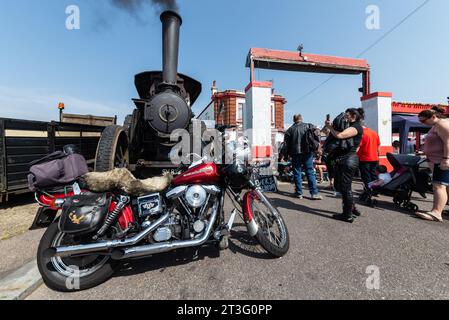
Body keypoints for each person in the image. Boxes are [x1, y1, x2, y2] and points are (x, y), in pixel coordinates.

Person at [325, 108, 364, 223]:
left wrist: (330, 127)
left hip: (348, 160)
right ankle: (351, 208)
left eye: (347, 115)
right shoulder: (350, 126)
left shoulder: (356, 127)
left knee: (346, 188)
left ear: (354, 116)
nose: (345, 117)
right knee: (341, 186)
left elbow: (340, 136)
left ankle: (347, 215)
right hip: (345, 160)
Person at [415, 109, 449, 222]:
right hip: (439, 159)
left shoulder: (441, 124)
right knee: (446, 186)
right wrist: (425, 152)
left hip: (441, 160)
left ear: (433, 116)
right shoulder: (438, 124)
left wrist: (446, 159)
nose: (422, 123)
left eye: (423, 121)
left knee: (439, 186)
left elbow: (448, 142)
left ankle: (436, 212)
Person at [284, 114, 323, 200]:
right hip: (307, 152)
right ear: (301, 118)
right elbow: (317, 135)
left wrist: (286, 155)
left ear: (293, 120)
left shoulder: (290, 130)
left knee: (297, 172)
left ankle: (299, 193)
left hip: (295, 153)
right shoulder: (308, 126)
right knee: (310, 172)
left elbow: (286, 145)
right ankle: (314, 193)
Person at [356, 109, 381, 190]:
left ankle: (368, 190)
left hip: (364, 158)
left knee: (366, 175)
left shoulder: (361, 134)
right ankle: (375, 190)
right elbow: (378, 147)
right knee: (374, 175)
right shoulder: (374, 133)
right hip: (375, 158)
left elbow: (357, 147)